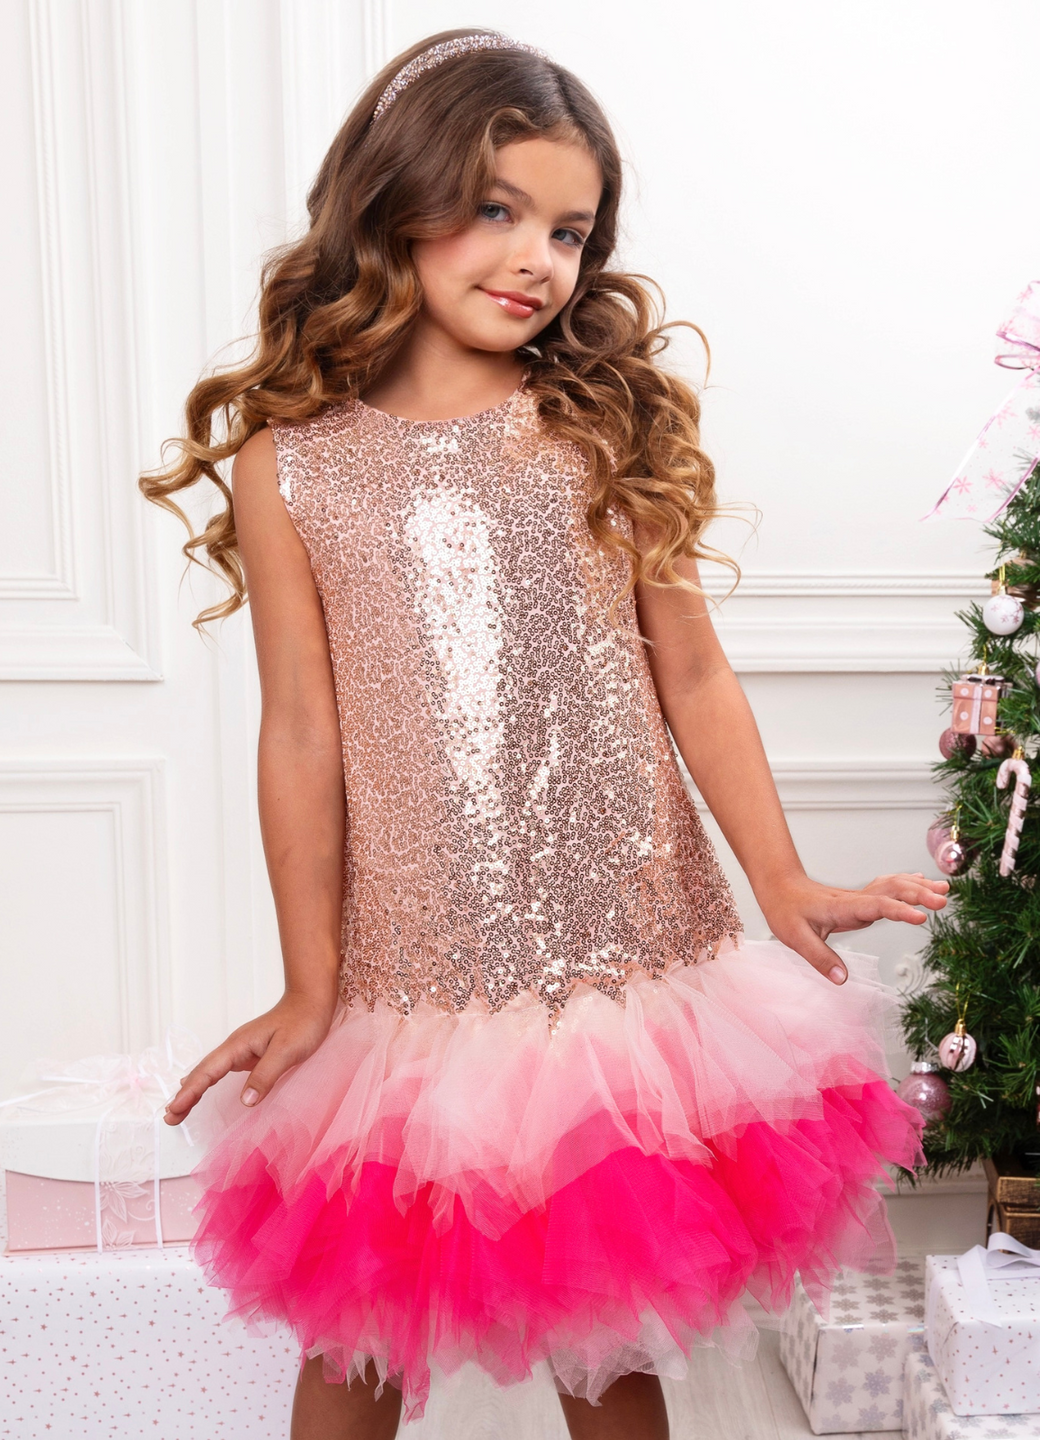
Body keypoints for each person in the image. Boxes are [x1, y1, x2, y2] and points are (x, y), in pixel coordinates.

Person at [145, 29, 946, 1440]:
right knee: (354, 1330)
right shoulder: (293, 465)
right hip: (412, 973)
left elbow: (692, 671)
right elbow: (302, 732)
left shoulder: (593, 426)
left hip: (614, 973)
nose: (538, 259)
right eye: (498, 209)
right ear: (395, 203)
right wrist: (312, 984)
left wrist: (780, 881)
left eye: (570, 232)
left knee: (605, 1325)